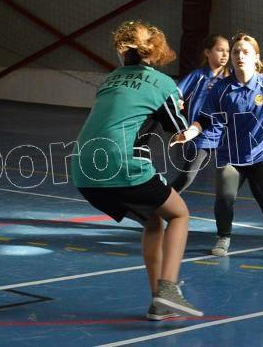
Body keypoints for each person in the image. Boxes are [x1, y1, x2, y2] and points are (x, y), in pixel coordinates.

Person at [70, 21, 202, 321]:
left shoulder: (110, 79)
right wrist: (192, 121)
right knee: (179, 214)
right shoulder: (163, 83)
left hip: (82, 168)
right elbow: (178, 131)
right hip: (122, 163)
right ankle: (168, 289)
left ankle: (158, 302)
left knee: (153, 221)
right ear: (156, 52)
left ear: (122, 51)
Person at [172, 32, 263, 263]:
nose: (239, 56)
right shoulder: (220, 88)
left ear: (256, 57)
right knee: (225, 198)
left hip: (260, 152)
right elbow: (204, 119)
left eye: (245, 52)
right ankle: (223, 238)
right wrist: (188, 133)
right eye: (235, 52)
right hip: (230, 154)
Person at [171, 34, 263, 235]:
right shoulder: (199, 76)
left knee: (253, 174)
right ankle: (159, 203)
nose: (225, 55)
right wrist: (178, 102)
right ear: (207, 52)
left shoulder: (232, 77)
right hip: (203, 134)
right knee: (188, 175)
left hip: (227, 136)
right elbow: (175, 93)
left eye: (227, 51)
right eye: (220, 50)